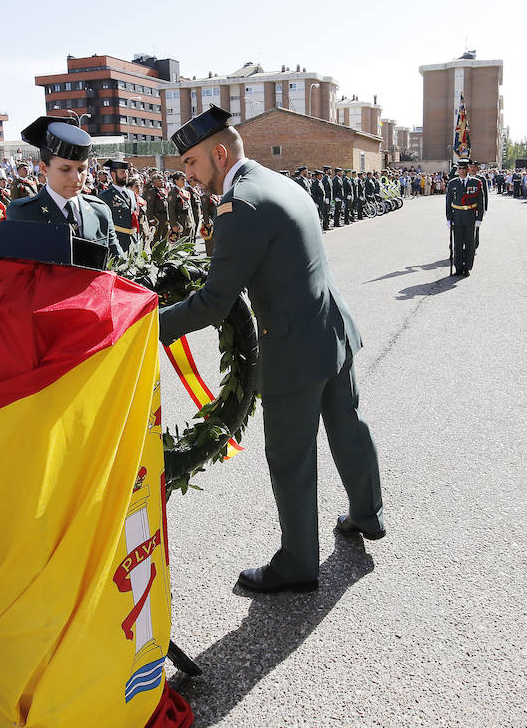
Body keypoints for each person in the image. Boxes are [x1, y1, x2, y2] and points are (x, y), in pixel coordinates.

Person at [158, 105, 384, 593]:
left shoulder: (240, 205)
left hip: (293, 350)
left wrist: (147, 328)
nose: (190, 175)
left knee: (290, 457)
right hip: (331, 329)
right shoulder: (279, 182)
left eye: (193, 164)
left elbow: (214, 303)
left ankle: (299, 565)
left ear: (219, 153)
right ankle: (368, 515)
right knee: (348, 424)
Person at [6, 117, 123, 261]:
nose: (76, 178)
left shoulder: (100, 211)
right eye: (65, 169)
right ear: (44, 168)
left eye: (81, 169)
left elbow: (119, 264)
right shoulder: (23, 213)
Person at [445, 158, 483, 276]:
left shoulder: (476, 182)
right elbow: (448, 202)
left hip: (470, 216)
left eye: (464, 168)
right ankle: (458, 267)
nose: (461, 171)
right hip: (457, 216)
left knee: (470, 243)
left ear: (468, 169)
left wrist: (479, 218)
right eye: (459, 168)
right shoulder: (453, 183)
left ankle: (467, 267)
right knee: (458, 243)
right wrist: (448, 218)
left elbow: (480, 202)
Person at [97, 159, 140, 253]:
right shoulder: (104, 196)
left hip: (134, 241)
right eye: (122, 172)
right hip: (118, 241)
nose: (125, 175)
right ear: (113, 175)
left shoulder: (131, 194)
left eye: (126, 172)